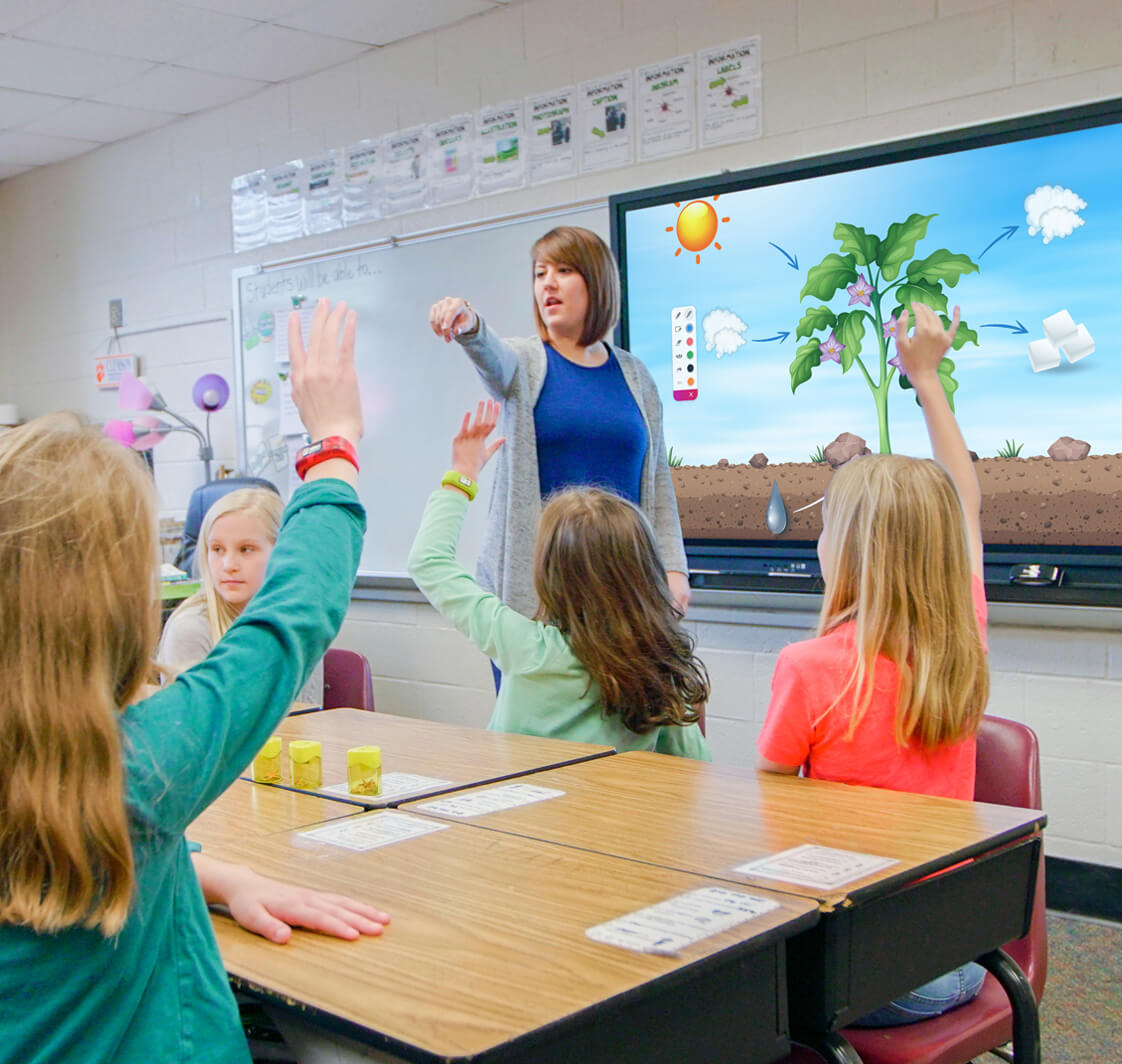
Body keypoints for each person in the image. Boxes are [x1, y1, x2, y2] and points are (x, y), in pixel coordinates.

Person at [0, 298, 388, 1063]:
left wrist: (216, 876)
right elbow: (288, 620)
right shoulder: (142, 765)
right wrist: (334, 445)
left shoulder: (105, 784)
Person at [757, 303, 989, 1026]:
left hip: (870, 970)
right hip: (960, 956)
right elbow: (967, 510)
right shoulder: (961, 640)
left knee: (714, 991)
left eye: (826, 526)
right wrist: (926, 379)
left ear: (847, 552)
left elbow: (770, 812)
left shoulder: (810, 666)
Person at [408, 400, 710, 759]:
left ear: (551, 576)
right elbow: (696, 772)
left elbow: (429, 561)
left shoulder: (525, 648)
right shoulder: (658, 665)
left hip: (513, 813)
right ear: (646, 572)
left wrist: (462, 475)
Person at [427, 226, 690, 630]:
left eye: (564, 270)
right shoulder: (524, 362)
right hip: (537, 602)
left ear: (597, 283)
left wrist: (674, 568)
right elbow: (491, 355)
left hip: (621, 596)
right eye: (539, 273)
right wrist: (469, 323)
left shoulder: (636, 376)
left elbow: (657, 483)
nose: (548, 282)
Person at [158, 487, 324, 705]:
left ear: (282, 552)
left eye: (246, 549)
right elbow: (188, 728)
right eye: (217, 549)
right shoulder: (191, 629)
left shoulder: (300, 622)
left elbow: (308, 717)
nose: (228, 565)